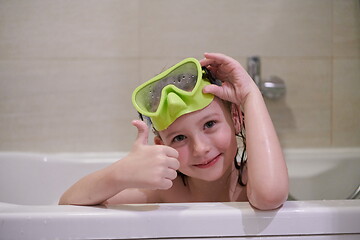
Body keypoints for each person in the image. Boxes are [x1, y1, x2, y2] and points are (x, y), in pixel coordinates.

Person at [59, 53, 288, 210]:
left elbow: (269, 197)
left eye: (209, 125)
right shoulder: (162, 192)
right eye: (179, 138)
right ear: (162, 148)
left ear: (237, 119)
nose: (200, 149)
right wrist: (122, 172)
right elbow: (68, 206)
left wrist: (250, 95)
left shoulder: (254, 178)